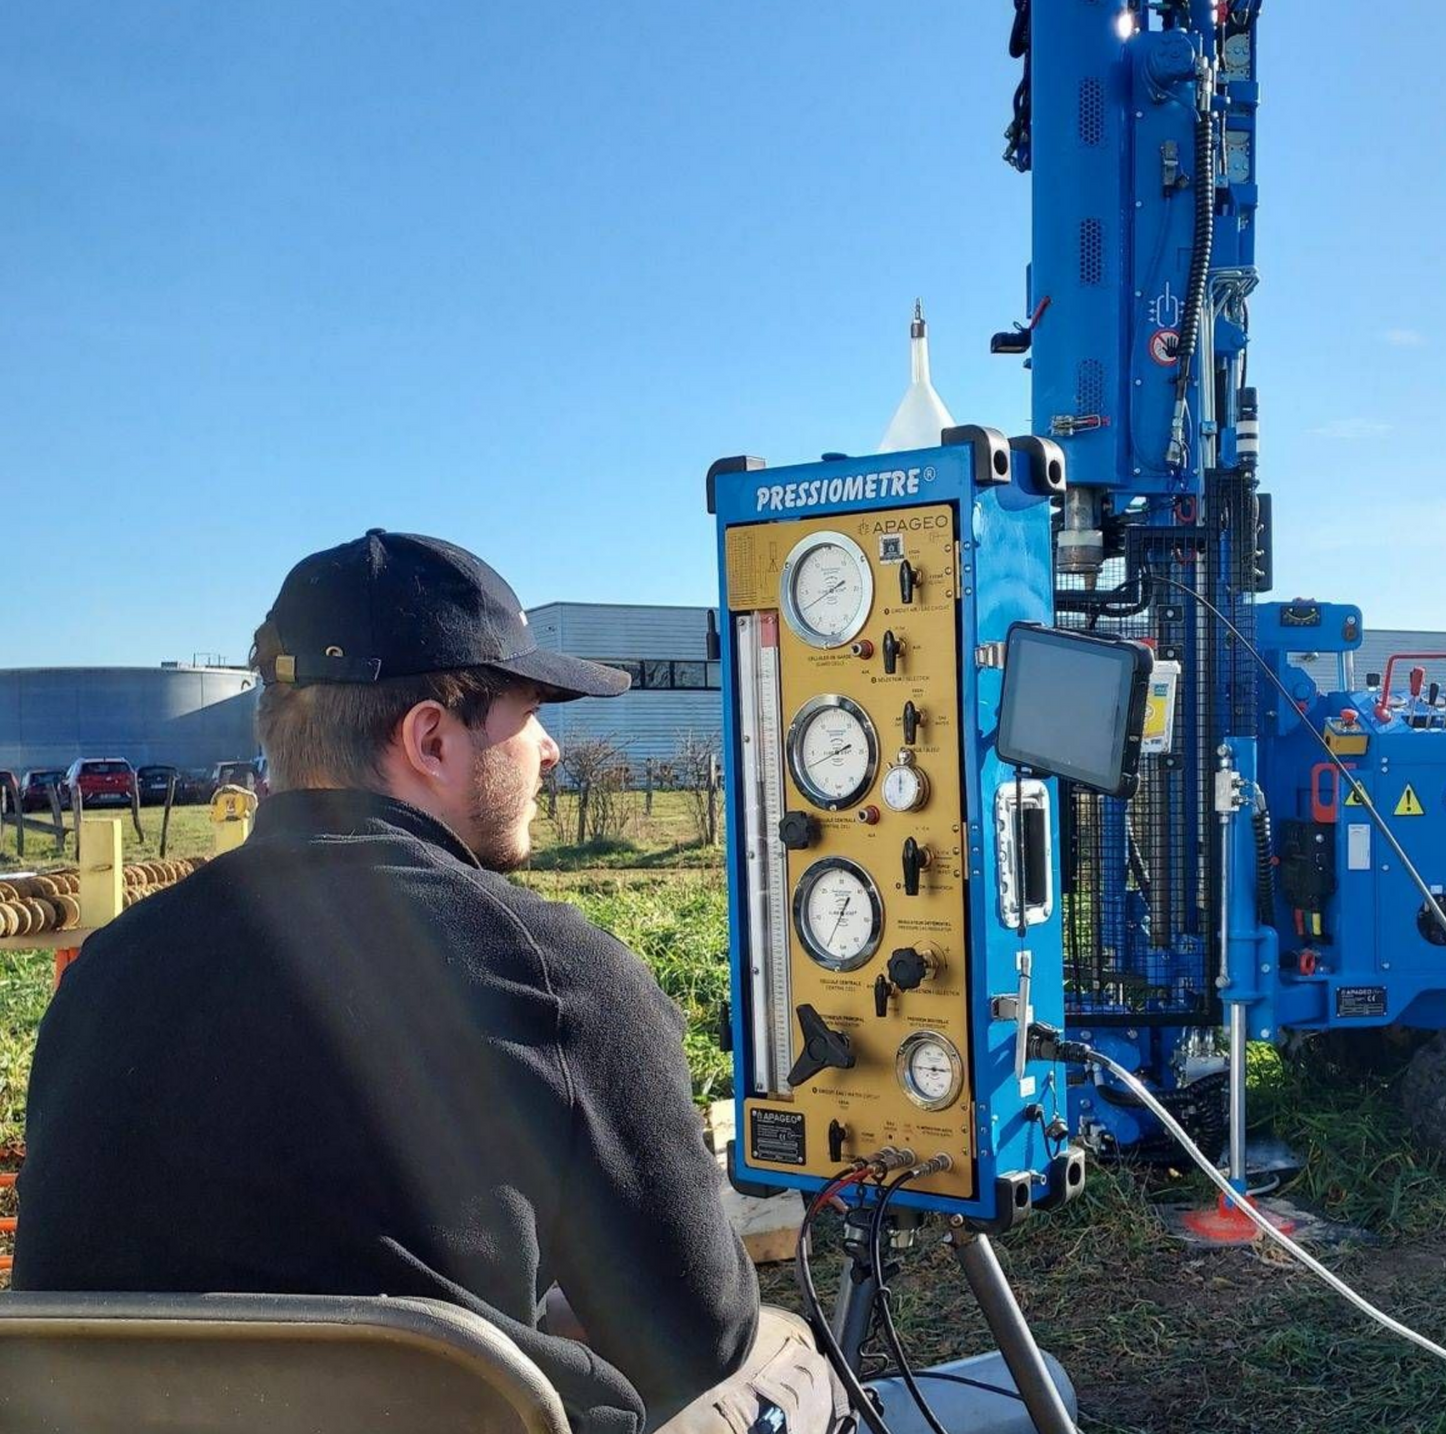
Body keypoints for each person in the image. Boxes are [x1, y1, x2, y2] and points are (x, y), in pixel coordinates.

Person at [14, 531, 838, 1434]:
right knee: (789, 1356)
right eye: (531, 714)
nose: (552, 753)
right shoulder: (552, 974)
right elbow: (694, 1338)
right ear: (432, 738)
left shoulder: (107, 966)